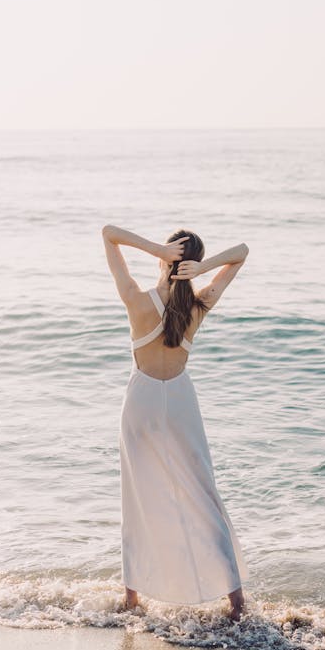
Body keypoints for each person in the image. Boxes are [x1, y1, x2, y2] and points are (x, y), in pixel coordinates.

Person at [102, 224, 250, 621]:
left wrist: (156, 249)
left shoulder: (135, 299)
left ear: (165, 258)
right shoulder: (199, 305)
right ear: (193, 265)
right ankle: (237, 602)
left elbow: (109, 233)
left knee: (136, 497)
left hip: (142, 400)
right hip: (182, 401)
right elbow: (241, 251)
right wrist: (202, 270)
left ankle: (132, 600)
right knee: (204, 495)